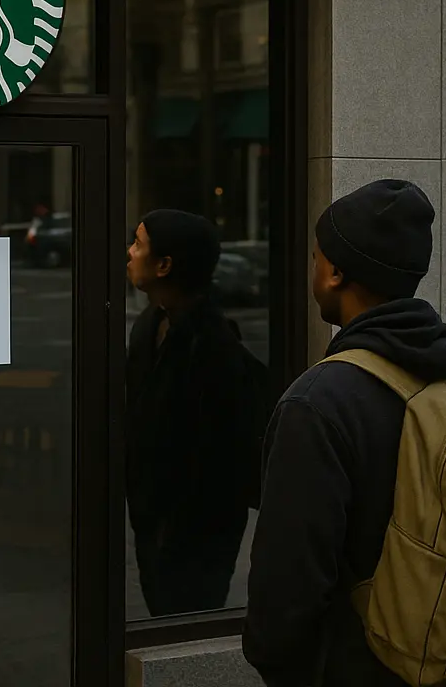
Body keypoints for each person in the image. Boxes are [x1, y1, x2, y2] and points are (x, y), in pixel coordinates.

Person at [242, 179, 446, 686]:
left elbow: (286, 592)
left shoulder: (318, 402)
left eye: (318, 257)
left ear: (336, 272)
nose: (314, 269)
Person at [125, 209, 258, 617]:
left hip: (194, 532)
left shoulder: (212, 345)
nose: (129, 253)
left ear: (164, 265)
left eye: (138, 244)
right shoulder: (150, 322)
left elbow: (216, 458)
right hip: (153, 517)